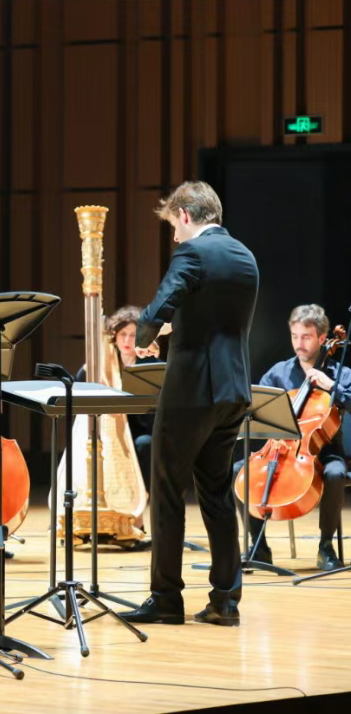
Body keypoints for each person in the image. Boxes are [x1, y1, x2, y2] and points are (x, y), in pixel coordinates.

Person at [121, 180, 258, 628]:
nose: (175, 238)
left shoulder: (193, 253)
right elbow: (213, 318)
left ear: (184, 215)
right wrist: (174, 328)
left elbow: (160, 304)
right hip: (233, 391)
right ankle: (225, 600)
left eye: (173, 228)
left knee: (166, 490)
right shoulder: (245, 256)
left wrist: (145, 332)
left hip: (191, 392)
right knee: (216, 492)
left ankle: (166, 598)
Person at [236, 304, 351, 571]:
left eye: (306, 337)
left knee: (335, 473)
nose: (299, 344)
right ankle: (259, 548)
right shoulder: (278, 373)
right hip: (280, 450)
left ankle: (326, 547)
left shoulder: (340, 374)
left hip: (325, 452)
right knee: (238, 472)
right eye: (295, 336)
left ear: (322, 338)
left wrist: (331, 386)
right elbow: (257, 408)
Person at [75, 305, 157, 541]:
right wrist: (90, 368)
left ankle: (137, 514)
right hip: (110, 430)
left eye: (133, 335)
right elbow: (79, 383)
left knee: (144, 445)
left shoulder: (149, 364)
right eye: (123, 335)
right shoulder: (103, 363)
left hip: (140, 428)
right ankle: (98, 517)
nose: (128, 341)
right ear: (114, 337)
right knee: (92, 447)